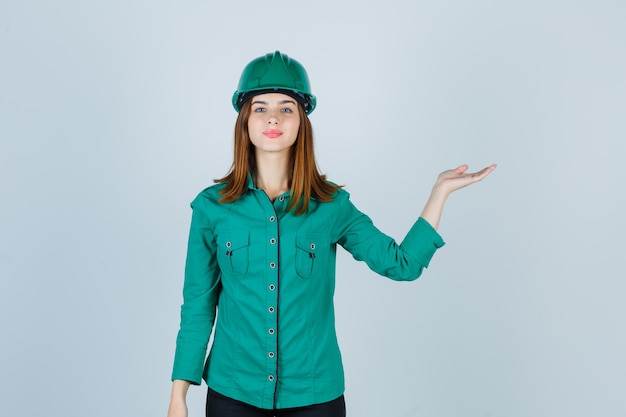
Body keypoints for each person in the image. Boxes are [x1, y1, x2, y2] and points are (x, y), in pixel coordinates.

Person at [167, 50, 496, 417]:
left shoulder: (332, 206)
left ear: (302, 122)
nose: (273, 117)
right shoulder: (212, 207)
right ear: (244, 121)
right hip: (233, 395)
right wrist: (178, 396)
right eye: (260, 108)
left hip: (315, 398)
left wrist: (440, 192)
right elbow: (198, 305)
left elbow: (401, 264)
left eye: (286, 108)